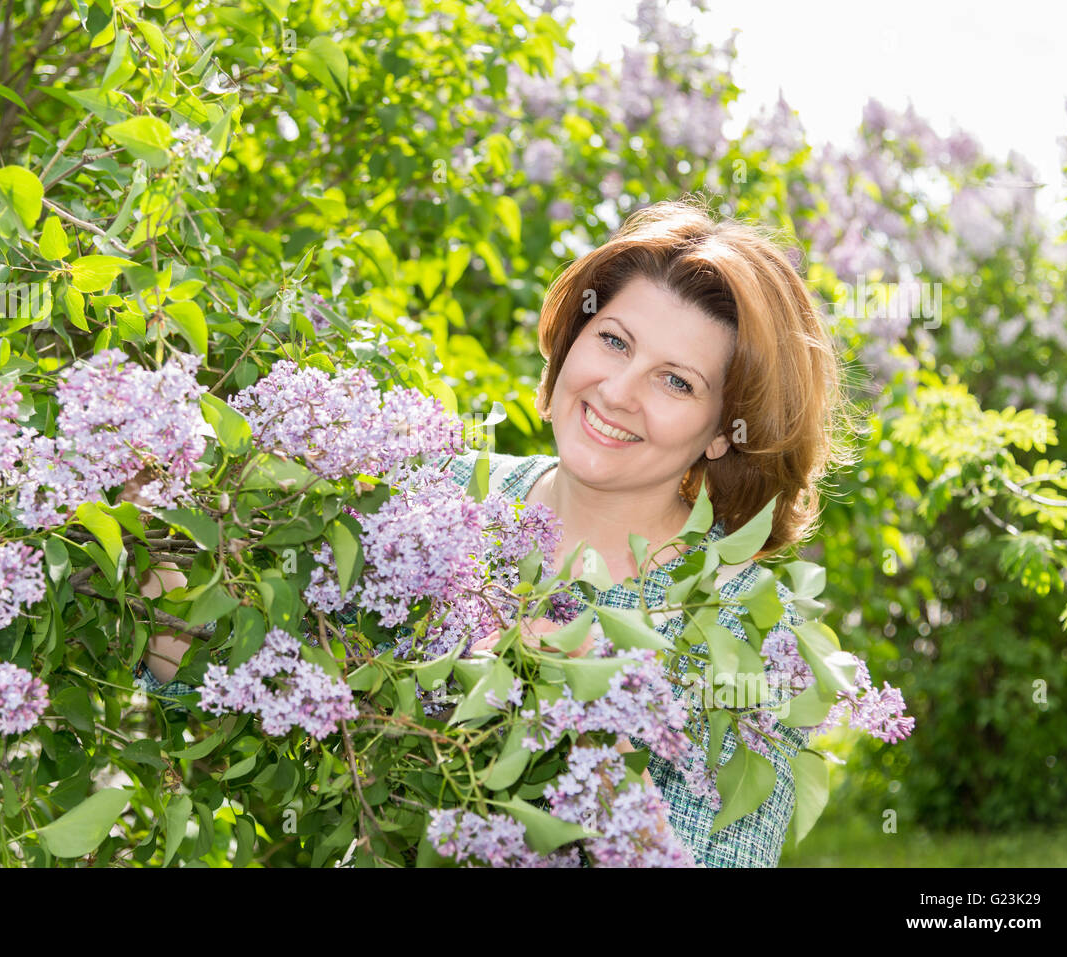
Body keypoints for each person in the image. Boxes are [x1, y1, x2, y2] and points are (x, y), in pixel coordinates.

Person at [125, 196, 853, 866]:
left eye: (677, 381)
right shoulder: (435, 490)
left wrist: (580, 746)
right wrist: (150, 547)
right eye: (614, 341)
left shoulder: (747, 634)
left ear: (724, 431)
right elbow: (250, 690)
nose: (618, 391)